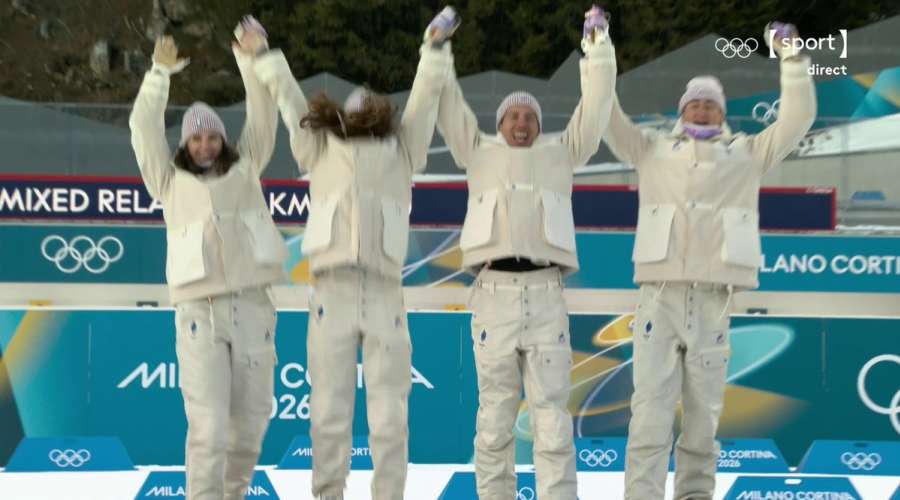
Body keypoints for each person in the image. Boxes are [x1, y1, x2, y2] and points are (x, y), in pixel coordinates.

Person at [602, 22, 816, 500]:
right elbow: (606, 116)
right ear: (681, 111)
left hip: (715, 304)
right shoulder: (652, 149)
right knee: (651, 411)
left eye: (711, 102)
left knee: (703, 417)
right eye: (695, 102)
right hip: (660, 298)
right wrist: (599, 53)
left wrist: (793, 58)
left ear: (723, 113)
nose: (702, 107)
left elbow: (798, 119)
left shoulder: (746, 153)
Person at [249, 8, 456, 500]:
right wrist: (264, 54)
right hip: (331, 291)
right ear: (343, 115)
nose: (363, 117)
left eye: (371, 111)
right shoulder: (319, 147)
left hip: (385, 292)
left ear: (381, 113)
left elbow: (425, 99)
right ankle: (328, 494)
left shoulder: (403, 150)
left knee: (390, 417)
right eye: (355, 111)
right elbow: (288, 98)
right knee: (328, 412)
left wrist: (434, 49)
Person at [436, 5, 617, 499]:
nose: (521, 121)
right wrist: (436, 49)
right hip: (491, 292)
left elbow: (597, 106)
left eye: (529, 116)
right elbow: (448, 104)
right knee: (494, 416)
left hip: (545, 295)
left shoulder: (562, 153)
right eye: (513, 115)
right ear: (500, 123)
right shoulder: (477, 152)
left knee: (552, 417)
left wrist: (597, 47)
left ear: (540, 124)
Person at [129, 16, 285, 500]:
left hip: (255, 308)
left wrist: (250, 57)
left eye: (212, 136)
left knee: (252, 421)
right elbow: (141, 126)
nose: (204, 144)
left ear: (222, 140)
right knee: (210, 426)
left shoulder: (247, 166)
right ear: (184, 144)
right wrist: (159, 75)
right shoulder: (169, 182)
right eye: (196, 138)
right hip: (201, 316)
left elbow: (263, 115)